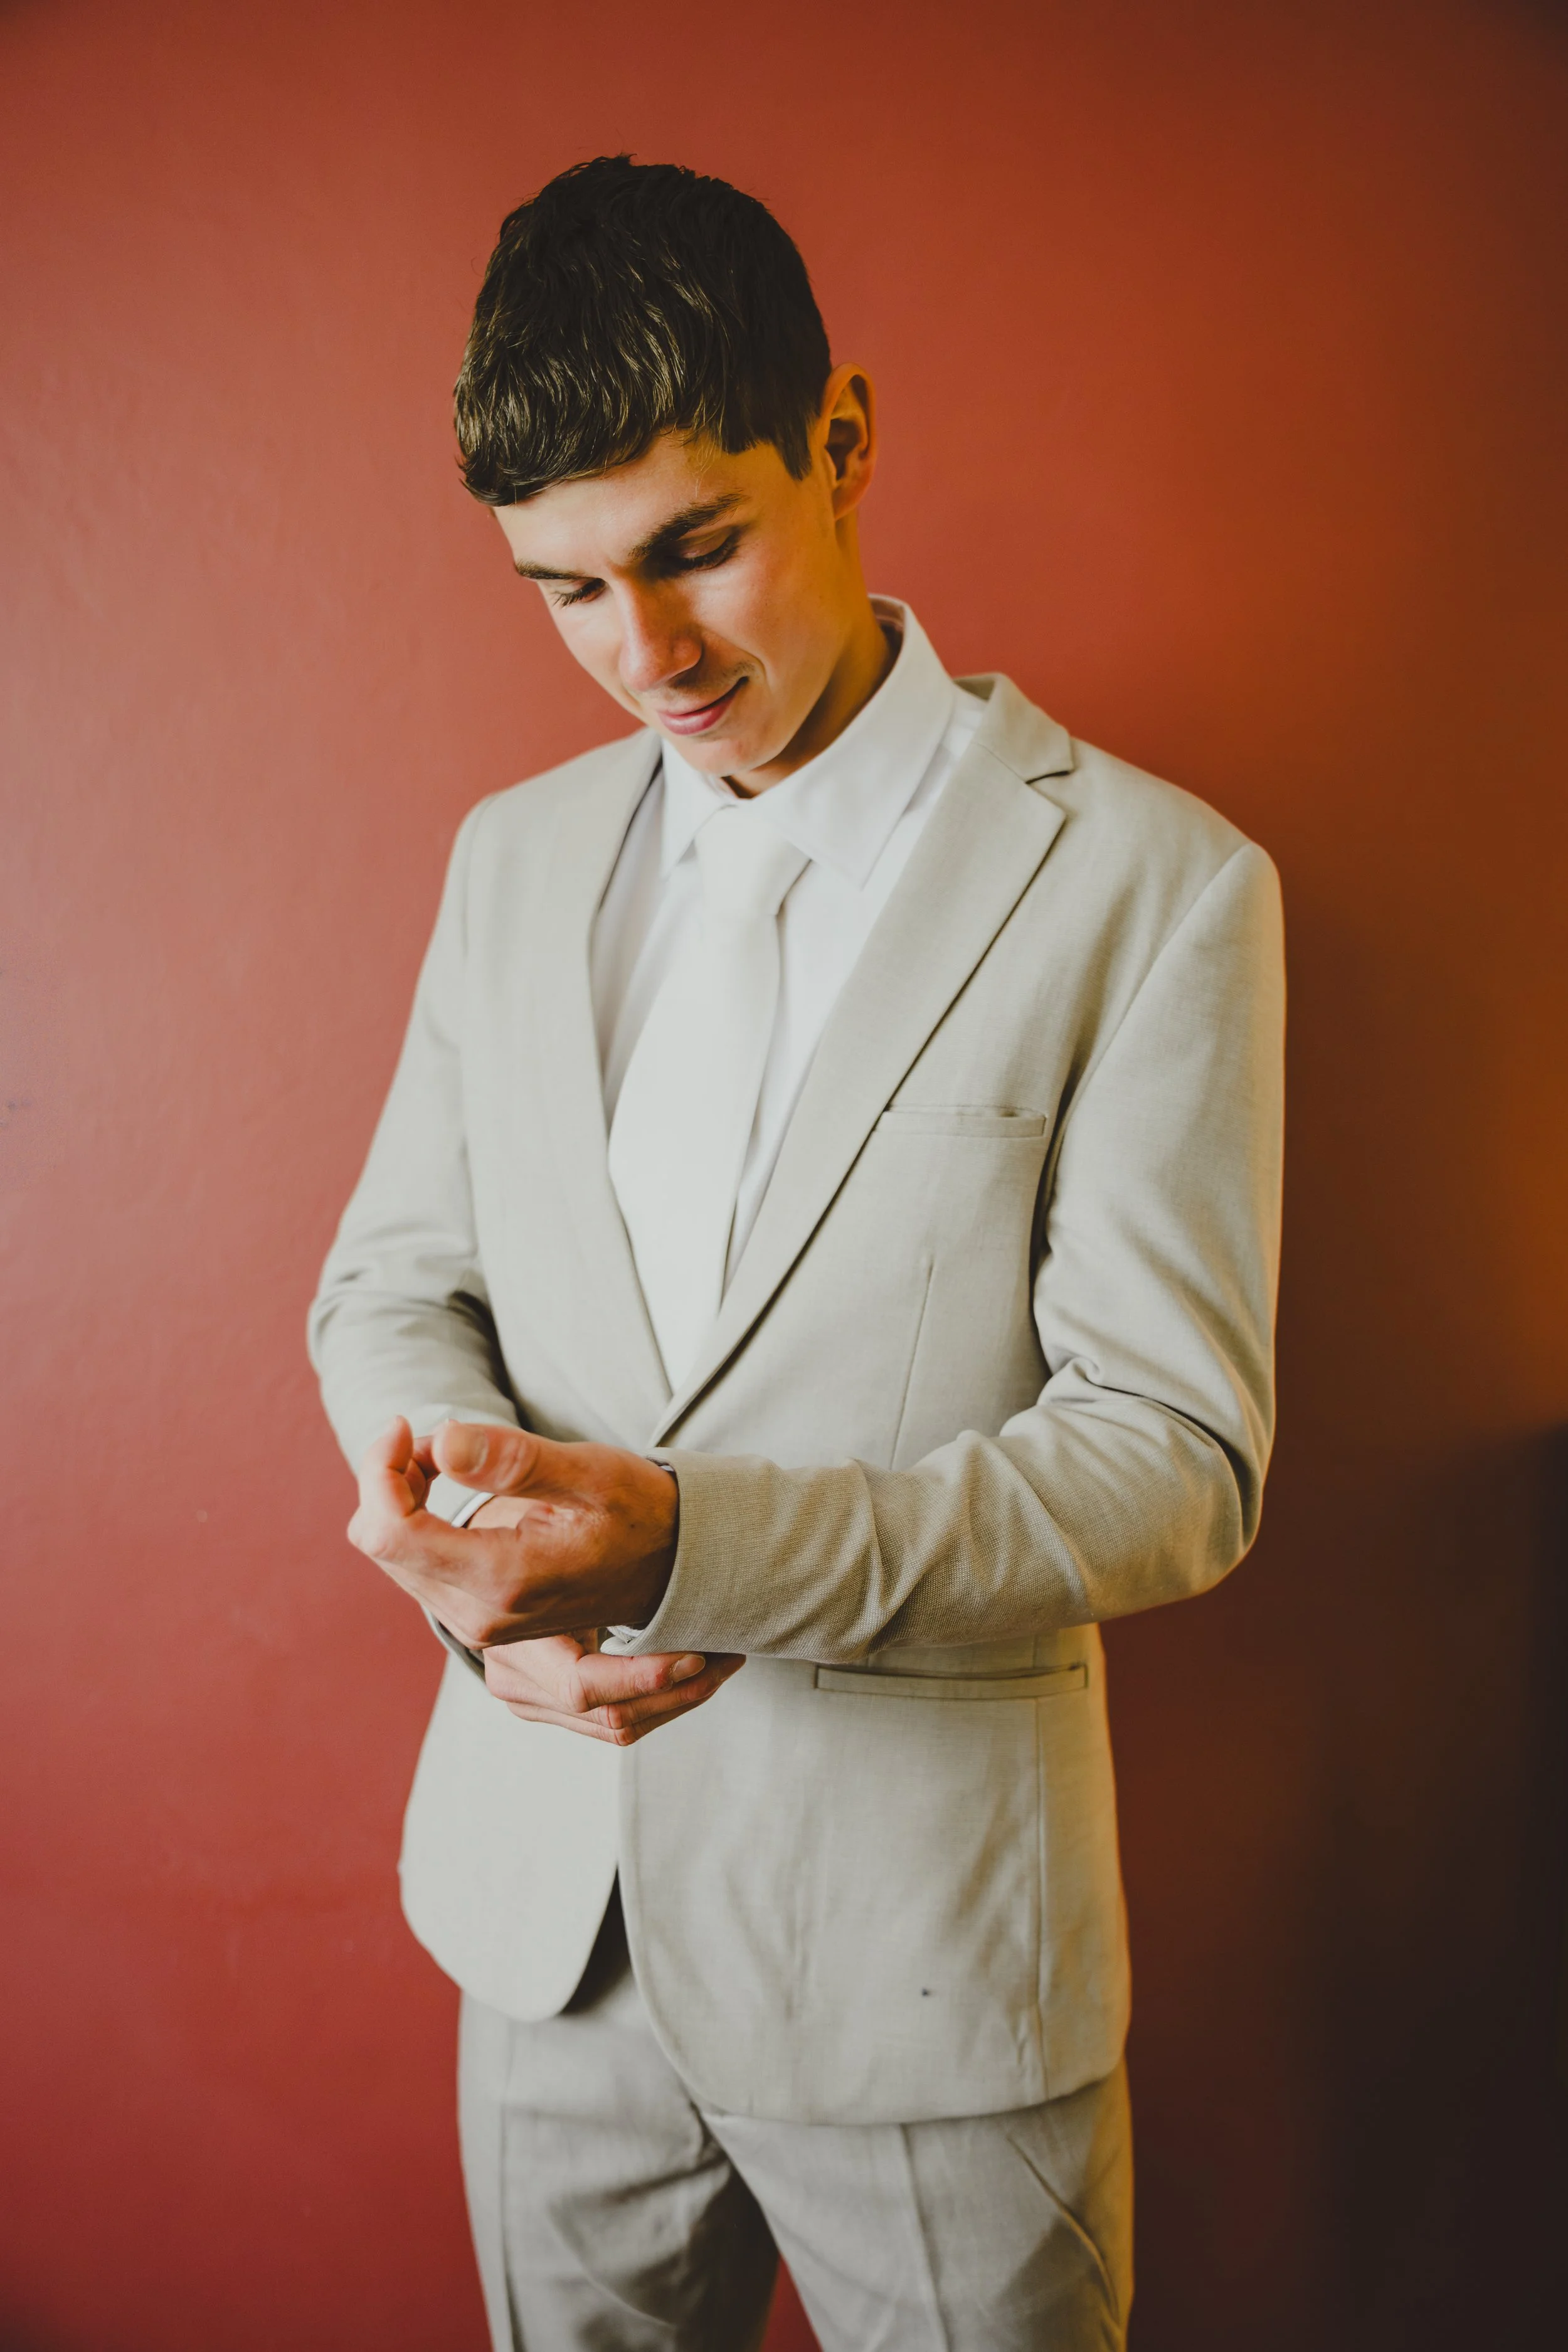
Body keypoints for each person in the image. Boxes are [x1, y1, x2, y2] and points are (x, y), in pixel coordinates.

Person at [309, 154, 1284, 2352]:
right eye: (561, 590)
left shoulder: (1158, 883)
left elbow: (1173, 1460)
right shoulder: (510, 858)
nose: (639, 657)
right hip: (544, 1926)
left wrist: (681, 1545)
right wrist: (482, 1607)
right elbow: (387, 1284)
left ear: (840, 439)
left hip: (933, 1983)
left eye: (692, 549)